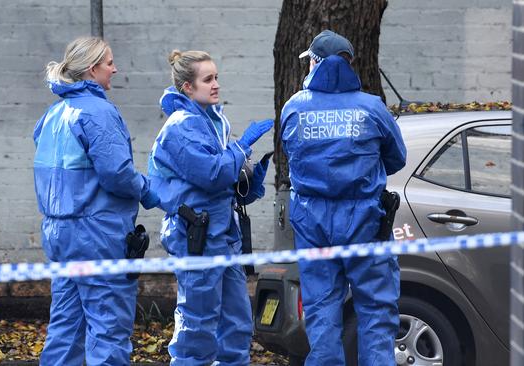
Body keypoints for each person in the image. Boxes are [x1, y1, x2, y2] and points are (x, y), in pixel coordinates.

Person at [280, 30, 407, 365]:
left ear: (318, 63)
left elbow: (291, 155)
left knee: (322, 312)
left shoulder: (294, 108)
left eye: (310, 61)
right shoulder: (372, 108)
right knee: (376, 312)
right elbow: (397, 158)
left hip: (312, 221)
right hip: (365, 220)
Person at [33, 36, 159, 366]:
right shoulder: (99, 113)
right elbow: (118, 174)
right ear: (92, 70)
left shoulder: (54, 114)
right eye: (109, 63)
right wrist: (149, 190)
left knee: (65, 329)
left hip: (59, 235)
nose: (115, 69)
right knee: (107, 331)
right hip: (97, 236)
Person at [148, 49, 273, 365]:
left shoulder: (213, 122)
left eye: (216, 77)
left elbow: (224, 181)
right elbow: (212, 174)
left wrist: (250, 177)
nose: (216, 84)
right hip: (198, 239)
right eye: (208, 79)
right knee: (197, 329)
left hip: (222, 236)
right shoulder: (181, 126)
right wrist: (242, 146)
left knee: (236, 324)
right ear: (188, 87)